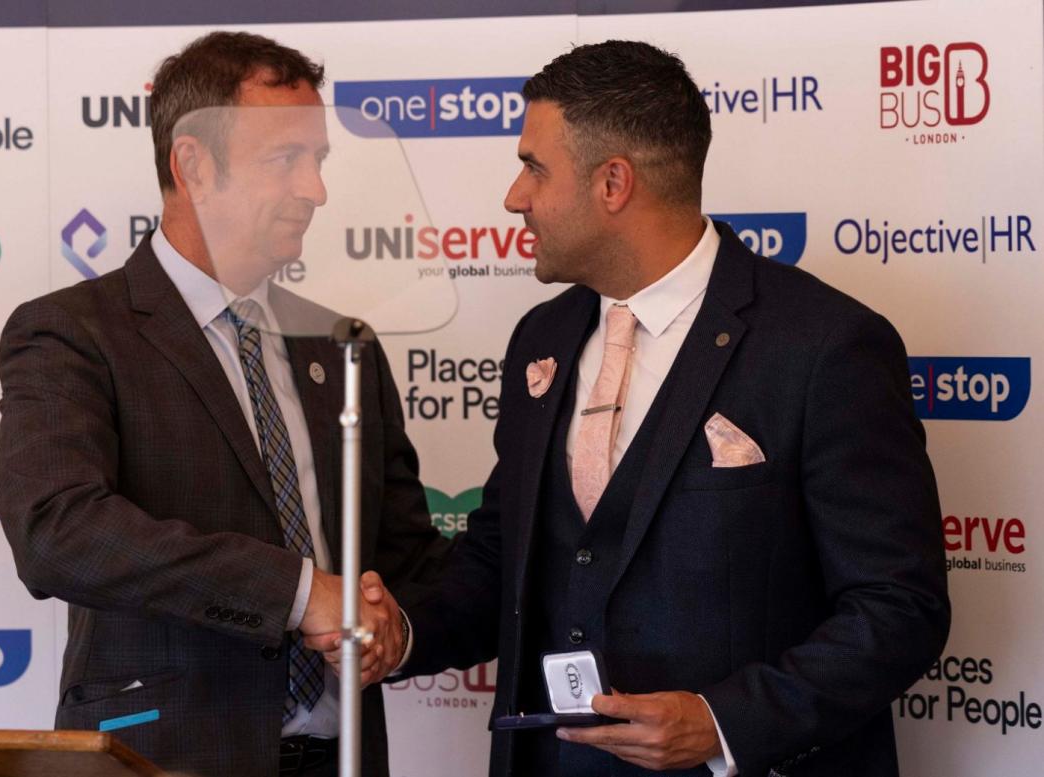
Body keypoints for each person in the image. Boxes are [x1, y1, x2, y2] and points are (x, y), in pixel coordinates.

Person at [347, 40, 950, 777]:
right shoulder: (542, 337)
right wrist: (400, 632)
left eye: (534, 167)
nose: (515, 196)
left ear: (613, 183)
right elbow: (503, 560)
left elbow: (898, 607)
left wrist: (725, 722)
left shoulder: (826, 345)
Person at [0, 31, 442, 777]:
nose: (316, 190)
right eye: (285, 159)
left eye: (319, 159)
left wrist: (399, 623)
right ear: (193, 164)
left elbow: (403, 561)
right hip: (162, 757)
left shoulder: (343, 348)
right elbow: (56, 531)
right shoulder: (73, 332)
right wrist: (299, 594)